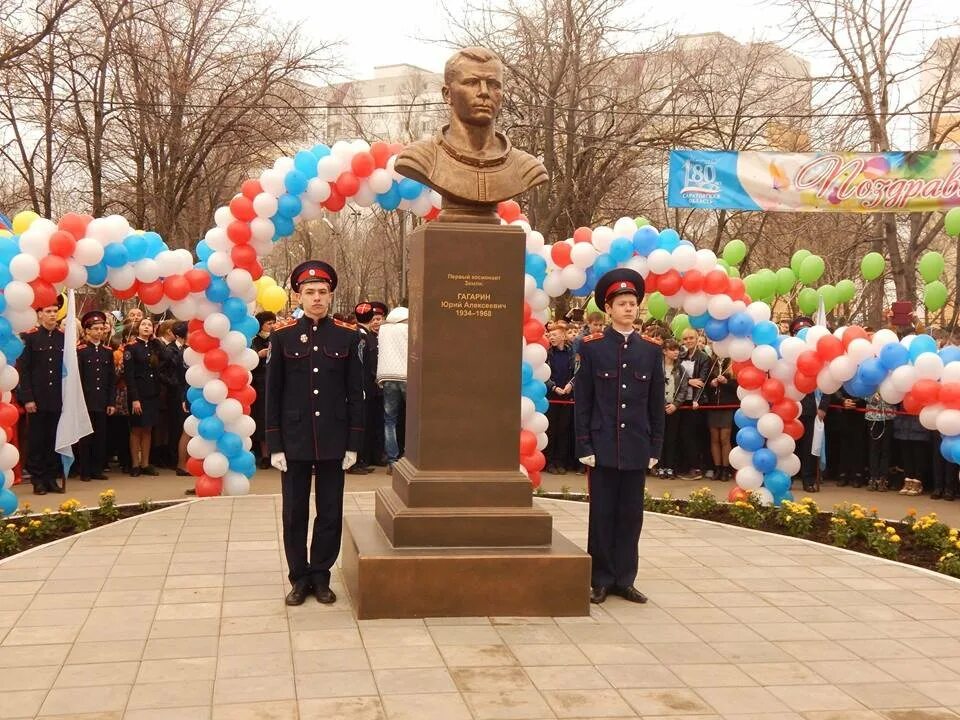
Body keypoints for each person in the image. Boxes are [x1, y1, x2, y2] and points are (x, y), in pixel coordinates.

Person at [266, 260, 364, 606]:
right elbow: (272, 393)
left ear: (331, 295)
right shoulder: (282, 336)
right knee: (294, 512)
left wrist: (353, 442)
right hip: (293, 440)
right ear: (298, 295)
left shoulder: (348, 335)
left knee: (330, 511)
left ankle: (321, 575)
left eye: (322, 292)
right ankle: (299, 577)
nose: (317, 298)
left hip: (333, 438)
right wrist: (274, 443)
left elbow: (356, 393)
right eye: (310, 292)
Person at [575, 268, 664, 605]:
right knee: (602, 515)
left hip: (636, 446)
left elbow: (656, 403)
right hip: (602, 446)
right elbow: (583, 402)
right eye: (622, 303)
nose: (629, 308)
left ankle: (625, 579)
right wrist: (584, 444)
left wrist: (655, 445)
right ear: (608, 309)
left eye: (633, 303)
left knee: (630, 516)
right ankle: (600, 578)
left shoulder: (650, 351)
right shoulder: (592, 347)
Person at [17, 297, 66, 494]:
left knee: (54, 439)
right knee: (37, 439)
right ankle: (38, 478)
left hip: (57, 397)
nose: (52, 314)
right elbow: (25, 370)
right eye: (48, 311)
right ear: (39, 314)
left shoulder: (63, 338)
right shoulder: (30, 337)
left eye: (55, 311)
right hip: (37, 397)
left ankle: (51, 477)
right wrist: (28, 397)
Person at [789, 317, 831, 493]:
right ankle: (787, 477)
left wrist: (823, 407)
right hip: (790, 408)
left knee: (810, 447)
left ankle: (808, 479)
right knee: (788, 446)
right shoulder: (788, 353)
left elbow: (829, 381)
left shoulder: (819, 354)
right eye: (798, 332)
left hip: (812, 407)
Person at [75, 311, 116, 482]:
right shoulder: (81, 351)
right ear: (87, 331)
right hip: (86, 399)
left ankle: (97, 469)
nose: (99, 332)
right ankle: (84, 470)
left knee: (101, 436)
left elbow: (111, 378)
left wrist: (111, 401)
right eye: (96, 329)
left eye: (102, 329)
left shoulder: (107, 352)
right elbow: (78, 378)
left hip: (102, 399)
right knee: (86, 437)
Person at [124, 317, 163, 477]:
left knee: (148, 429)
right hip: (138, 394)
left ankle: (146, 463)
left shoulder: (154, 346)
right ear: (138, 328)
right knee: (136, 429)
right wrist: (135, 399)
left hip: (152, 393)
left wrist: (157, 341)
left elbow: (165, 357)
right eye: (143, 325)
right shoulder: (131, 348)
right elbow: (129, 375)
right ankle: (135, 464)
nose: (146, 327)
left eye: (149, 325)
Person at [353, 301, 387, 474]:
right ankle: (358, 460)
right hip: (365, 386)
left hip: (368, 386)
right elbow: (366, 364)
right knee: (362, 423)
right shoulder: (362, 336)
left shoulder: (365, 334)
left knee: (369, 423)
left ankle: (365, 458)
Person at [376, 306, 409, 473]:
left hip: (387, 376)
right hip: (406, 375)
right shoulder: (409, 328)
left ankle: (392, 460)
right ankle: (411, 457)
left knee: (390, 420)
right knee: (412, 419)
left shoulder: (383, 329)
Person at [677, 328, 711, 478]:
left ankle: (696, 467)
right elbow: (676, 376)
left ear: (697, 339)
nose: (688, 341)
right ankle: (686, 465)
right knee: (683, 435)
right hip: (681, 400)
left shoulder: (704, 358)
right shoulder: (681, 356)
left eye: (691, 338)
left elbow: (702, 381)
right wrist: (689, 381)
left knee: (693, 435)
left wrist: (696, 400)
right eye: (685, 339)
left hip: (696, 402)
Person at [545, 321, 575, 474]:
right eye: (550, 335)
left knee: (564, 430)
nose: (551, 338)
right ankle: (549, 462)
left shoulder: (572, 353)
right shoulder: (548, 354)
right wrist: (554, 387)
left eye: (555, 335)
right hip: (552, 396)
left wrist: (570, 385)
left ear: (563, 336)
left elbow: (578, 373)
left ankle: (561, 462)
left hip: (568, 397)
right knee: (551, 429)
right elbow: (543, 373)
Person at [705, 354, 737, 481]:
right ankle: (717, 468)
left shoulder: (733, 362)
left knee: (724, 438)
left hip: (727, 405)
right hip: (713, 405)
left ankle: (725, 469)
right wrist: (711, 384)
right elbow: (705, 385)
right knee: (714, 438)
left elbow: (738, 387)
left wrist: (726, 382)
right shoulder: (711, 362)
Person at [251, 311, 275, 469]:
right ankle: (265, 455)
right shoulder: (254, 341)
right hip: (260, 383)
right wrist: (258, 355)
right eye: (269, 323)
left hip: (274, 382)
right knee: (262, 418)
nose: (272, 326)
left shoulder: (277, 337)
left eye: (273, 322)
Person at [658, 338, 684, 479]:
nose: (676, 352)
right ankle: (660, 466)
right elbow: (654, 387)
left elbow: (683, 389)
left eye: (677, 349)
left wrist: (675, 404)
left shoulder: (680, 369)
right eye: (672, 349)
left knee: (672, 438)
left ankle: (670, 466)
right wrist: (661, 404)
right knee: (660, 437)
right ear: (664, 351)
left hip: (674, 408)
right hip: (659, 408)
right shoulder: (657, 367)